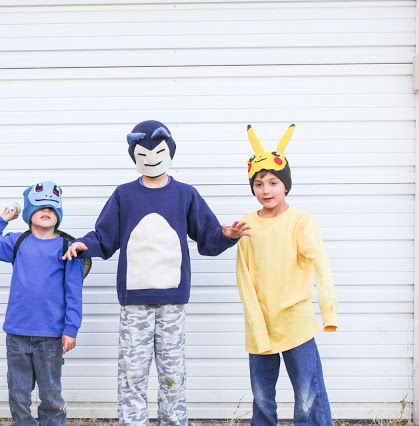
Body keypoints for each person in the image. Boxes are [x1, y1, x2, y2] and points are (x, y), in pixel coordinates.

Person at [63, 120, 250, 425]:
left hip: (172, 300)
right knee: (132, 374)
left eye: (158, 150)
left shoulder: (185, 195)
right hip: (134, 300)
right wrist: (84, 244)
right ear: (134, 155)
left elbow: (209, 235)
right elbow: (104, 236)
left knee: (173, 374)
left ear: (170, 151)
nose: (151, 157)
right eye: (143, 152)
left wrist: (227, 236)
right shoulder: (124, 195)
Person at [236, 124, 338, 425]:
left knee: (308, 395)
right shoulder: (246, 225)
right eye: (258, 184)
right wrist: (255, 323)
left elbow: (321, 264)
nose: (265, 190)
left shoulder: (301, 221)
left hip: (296, 323)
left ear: (285, 185)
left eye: (272, 182)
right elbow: (244, 279)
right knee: (262, 396)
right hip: (260, 325)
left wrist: (328, 310)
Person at [0, 181, 84, 426]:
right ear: (28, 213)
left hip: (51, 335)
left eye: (52, 208)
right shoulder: (17, 242)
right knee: (18, 393)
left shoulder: (69, 248)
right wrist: (3, 218)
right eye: (40, 207)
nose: (46, 212)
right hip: (17, 333)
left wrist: (71, 329)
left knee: (50, 395)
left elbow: (74, 293)